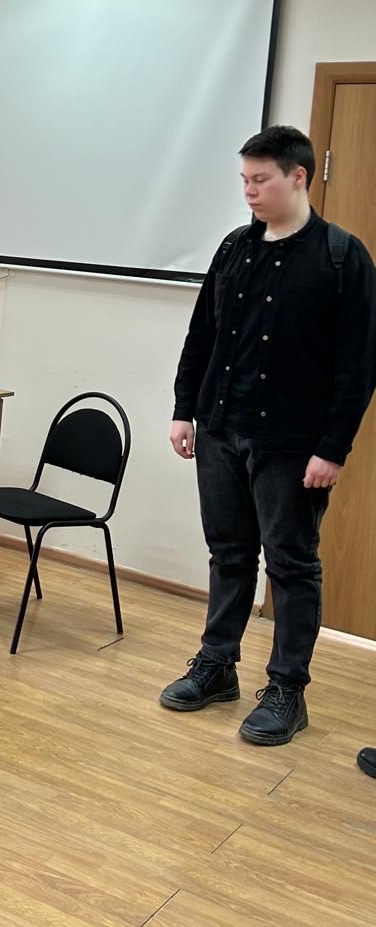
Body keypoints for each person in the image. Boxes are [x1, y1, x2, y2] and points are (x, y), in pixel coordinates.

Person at [161, 125, 376, 745]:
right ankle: (217, 665)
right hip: (220, 428)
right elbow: (202, 335)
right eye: (244, 180)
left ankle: (287, 689)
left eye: (261, 180)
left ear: (298, 176)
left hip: (291, 444)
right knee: (229, 553)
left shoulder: (342, 257)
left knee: (291, 564)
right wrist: (183, 409)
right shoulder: (234, 248)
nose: (249, 191)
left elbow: (359, 365)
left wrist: (333, 448)